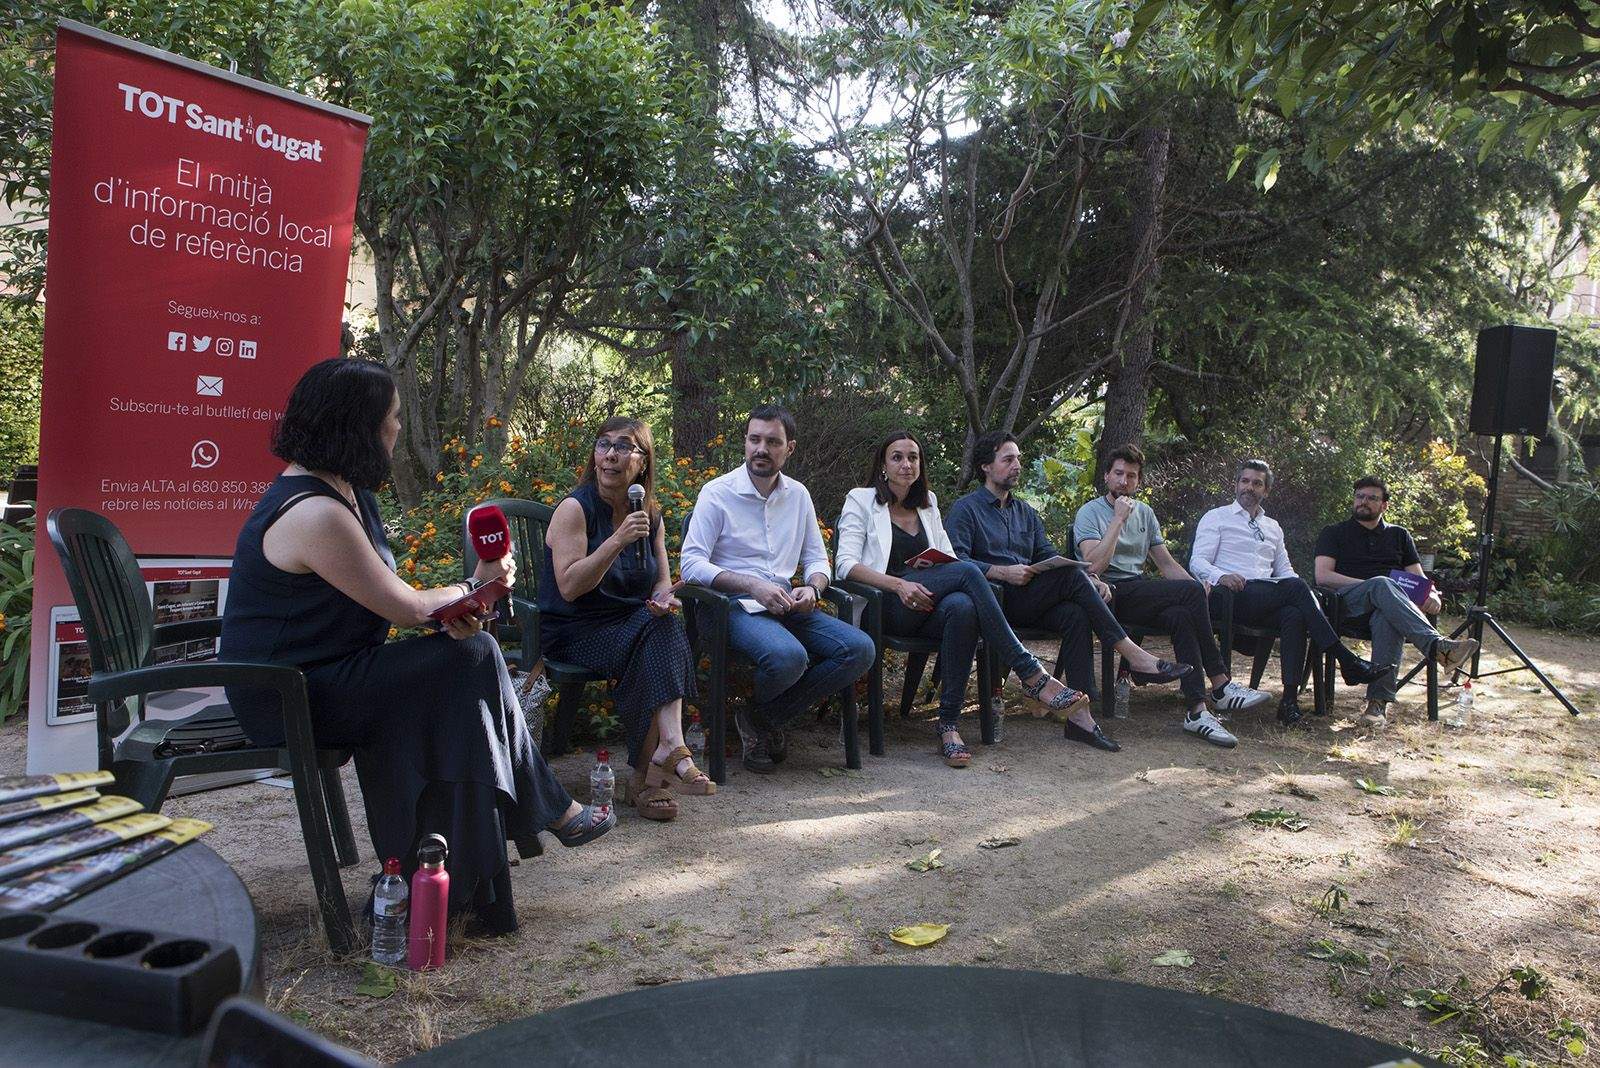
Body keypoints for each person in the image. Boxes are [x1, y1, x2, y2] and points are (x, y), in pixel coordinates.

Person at [220, 358, 610, 937]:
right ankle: (543, 809)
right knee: (471, 660)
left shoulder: (347, 494)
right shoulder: (314, 512)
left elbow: (397, 606)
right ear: (357, 428)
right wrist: (475, 586)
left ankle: (458, 876)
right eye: (393, 419)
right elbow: (403, 606)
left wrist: (464, 601)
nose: (399, 429)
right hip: (288, 695)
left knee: (467, 662)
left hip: (337, 674)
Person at [838, 430, 1114, 764]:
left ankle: (948, 724)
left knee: (963, 606)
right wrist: (899, 585)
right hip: (887, 605)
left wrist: (936, 575)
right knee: (969, 572)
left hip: (930, 603)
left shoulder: (929, 505)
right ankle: (1032, 674)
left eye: (913, 457)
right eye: (897, 457)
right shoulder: (861, 500)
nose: (907, 464)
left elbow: (949, 558)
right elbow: (846, 565)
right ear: (883, 464)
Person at [944, 432, 1191, 744]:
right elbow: (956, 562)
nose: (1017, 465)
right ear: (986, 467)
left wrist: (1091, 579)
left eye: (1018, 458)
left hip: (1030, 598)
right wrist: (1001, 571)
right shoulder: (966, 509)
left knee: (1075, 613)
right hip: (992, 601)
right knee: (1075, 579)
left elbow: (1048, 557)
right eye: (1008, 459)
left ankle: (1080, 718)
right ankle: (1132, 653)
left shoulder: (1026, 513)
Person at [679, 405, 876, 775]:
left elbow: (818, 559)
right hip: (729, 607)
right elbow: (690, 564)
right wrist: (753, 584)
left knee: (859, 649)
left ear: (790, 449)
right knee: (788, 657)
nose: (761, 449)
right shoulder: (717, 493)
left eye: (772, 442)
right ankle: (764, 724)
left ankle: (759, 718)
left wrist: (814, 589)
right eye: (754, 439)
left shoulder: (798, 495)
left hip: (786, 605)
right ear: (745, 443)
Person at [539, 416, 707, 823]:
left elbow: (660, 582)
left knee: (662, 627)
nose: (611, 455)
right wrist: (617, 540)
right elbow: (569, 587)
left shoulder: (649, 513)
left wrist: (664, 600)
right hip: (574, 629)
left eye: (623, 446)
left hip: (631, 626)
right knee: (653, 639)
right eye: (603, 445)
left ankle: (663, 752)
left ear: (643, 462)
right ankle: (650, 775)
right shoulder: (574, 509)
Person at [1073, 443, 1273, 749]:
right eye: (1118, 474)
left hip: (1139, 591)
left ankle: (1197, 710)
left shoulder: (1146, 513)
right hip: (1106, 592)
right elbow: (1095, 565)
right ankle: (1221, 685)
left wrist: (1196, 586)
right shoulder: (1090, 512)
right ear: (1106, 477)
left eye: (1131, 476)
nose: (1124, 481)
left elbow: (1165, 563)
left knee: (1182, 614)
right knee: (1189, 593)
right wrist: (1117, 520)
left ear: (1138, 481)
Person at [1189, 460, 1382, 726]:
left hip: (1266, 597)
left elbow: (1285, 571)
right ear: (1235, 485)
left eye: (1257, 483)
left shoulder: (1273, 527)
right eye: (1244, 481)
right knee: (1296, 589)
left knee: (1294, 612)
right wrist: (1220, 576)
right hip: (1230, 596)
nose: (1249, 487)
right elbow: (1197, 561)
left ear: (1266, 491)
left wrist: (1304, 594)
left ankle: (1289, 702)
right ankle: (1344, 658)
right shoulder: (1217, 517)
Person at [1314, 476, 1478, 727]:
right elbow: (1323, 576)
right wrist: (1373, 586)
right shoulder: (1333, 533)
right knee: (1382, 585)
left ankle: (1376, 706)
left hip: (1389, 609)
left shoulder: (1399, 535)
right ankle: (1437, 647)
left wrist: (1431, 594)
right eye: (1359, 496)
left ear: (1384, 506)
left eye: (1371, 498)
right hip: (1347, 604)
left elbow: (1418, 579)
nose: (1363, 502)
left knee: (1386, 618)